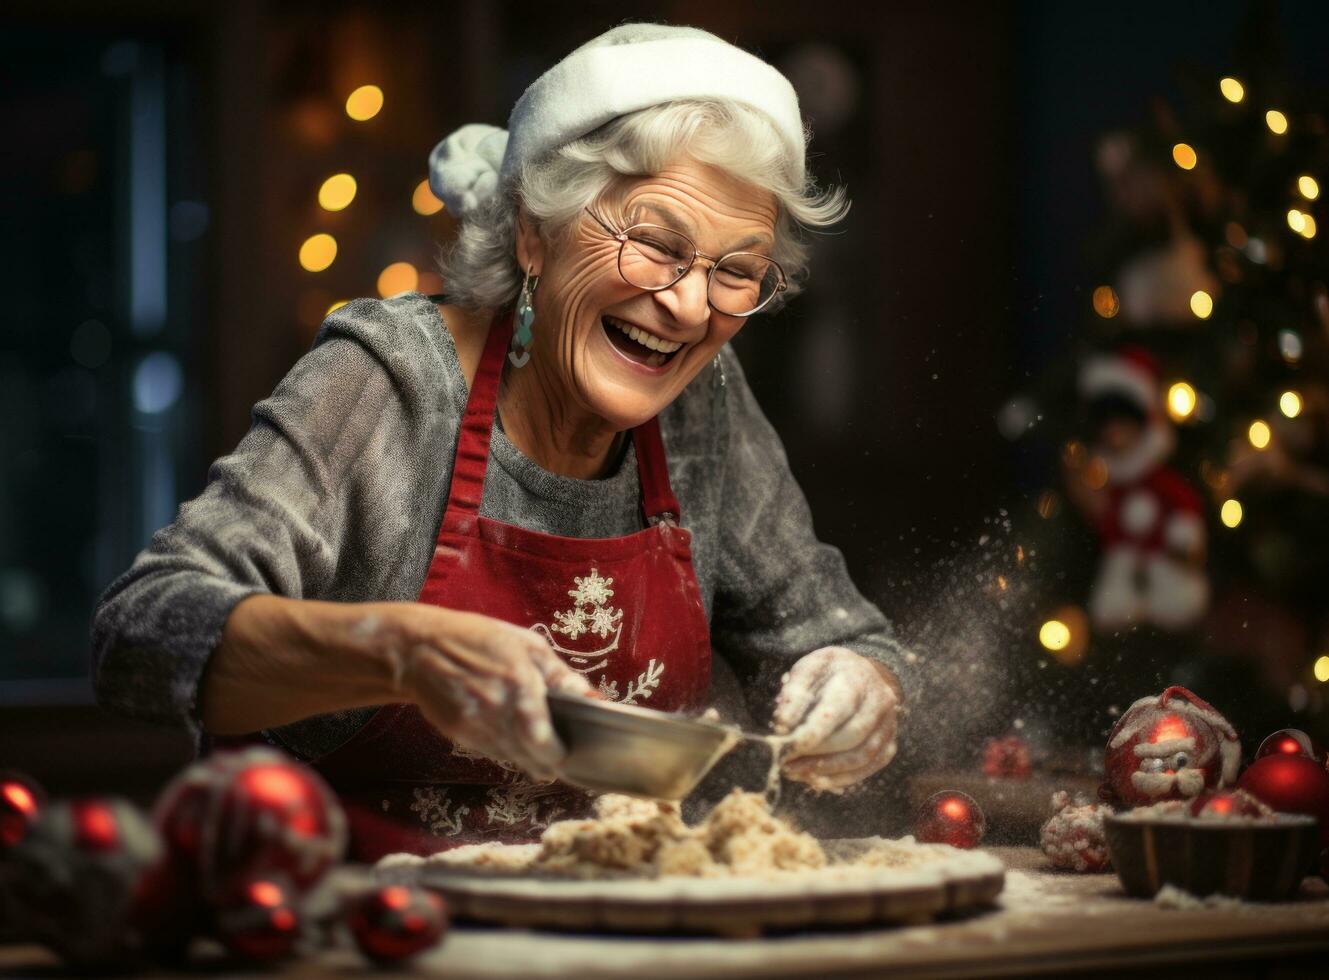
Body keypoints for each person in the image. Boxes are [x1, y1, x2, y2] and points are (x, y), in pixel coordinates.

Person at [92, 22, 909, 858]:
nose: (691, 308)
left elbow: (841, 636)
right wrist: (403, 650)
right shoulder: (392, 378)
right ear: (532, 233)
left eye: (734, 270)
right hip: (346, 925)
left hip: (598, 931)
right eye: (655, 245)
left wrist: (858, 684)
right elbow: (142, 635)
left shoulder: (706, 408)